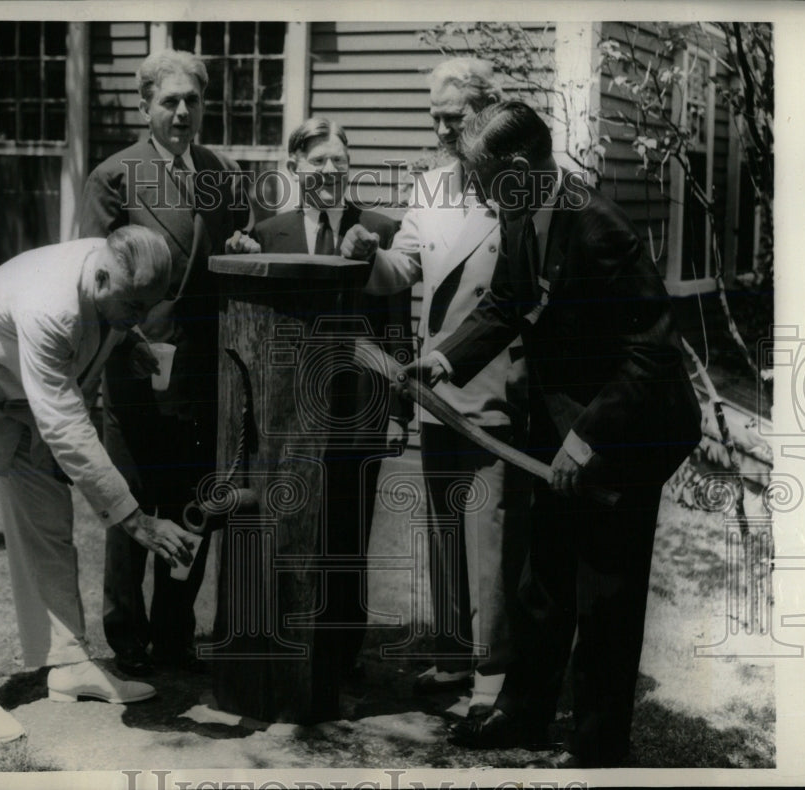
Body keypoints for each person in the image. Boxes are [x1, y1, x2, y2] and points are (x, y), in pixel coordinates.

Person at [410, 101, 702, 766]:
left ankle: (600, 749)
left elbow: (650, 353)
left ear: (516, 168)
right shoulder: (519, 214)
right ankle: (523, 715)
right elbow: (507, 305)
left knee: (606, 599)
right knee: (541, 586)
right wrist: (446, 357)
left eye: (480, 177)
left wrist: (587, 441)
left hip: (627, 434)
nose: (475, 191)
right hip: (567, 425)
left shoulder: (598, 226)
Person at [0, 226, 199, 743]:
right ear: (105, 274)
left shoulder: (107, 280)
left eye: (147, 308)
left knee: (49, 519)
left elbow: (109, 322)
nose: (139, 317)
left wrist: (127, 339)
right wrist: (134, 518)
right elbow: (66, 425)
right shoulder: (53, 304)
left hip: (16, 391)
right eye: (134, 306)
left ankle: (66, 663)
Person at [341, 58, 531, 717]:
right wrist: (369, 254)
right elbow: (404, 269)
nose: (443, 125)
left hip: (497, 381)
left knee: (490, 535)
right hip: (436, 383)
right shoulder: (430, 186)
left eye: (456, 114)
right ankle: (452, 656)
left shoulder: (517, 187)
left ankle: (494, 669)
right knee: (444, 529)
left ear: (490, 108)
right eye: (435, 114)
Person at [79, 49, 251, 677]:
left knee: (190, 505)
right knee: (132, 505)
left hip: (206, 374)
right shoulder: (114, 178)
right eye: (169, 101)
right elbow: (95, 282)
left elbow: (233, 260)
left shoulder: (223, 173)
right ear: (146, 106)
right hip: (136, 368)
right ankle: (127, 641)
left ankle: (175, 635)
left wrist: (242, 244)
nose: (182, 112)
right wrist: (132, 347)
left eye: (192, 101)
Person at [238, 117, 412, 676]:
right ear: (294, 165)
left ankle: (341, 654)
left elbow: (396, 329)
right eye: (317, 161)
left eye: (338, 160)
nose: (330, 171)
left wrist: (399, 410)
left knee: (348, 528)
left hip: (358, 406)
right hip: (288, 413)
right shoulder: (269, 232)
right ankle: (287, 640)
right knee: (289, 522)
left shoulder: (381, 229)